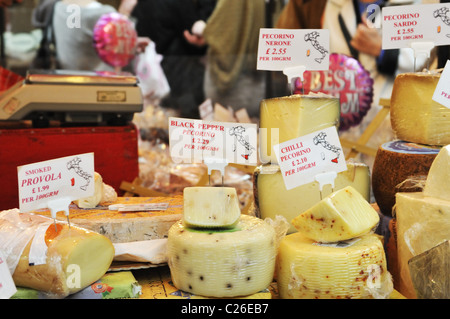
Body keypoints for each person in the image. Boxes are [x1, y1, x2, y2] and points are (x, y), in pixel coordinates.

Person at [276, 0, 430, 170]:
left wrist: (384, 51)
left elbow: (428, 62)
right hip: (338, 128)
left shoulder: (416, 4)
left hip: (389, 128)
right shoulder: (323, 5)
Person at [128, 0, 216, 119]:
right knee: (183, 128)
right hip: (180, 78)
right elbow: (194, 39)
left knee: (153, 124)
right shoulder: (180, 3)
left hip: (148, 78)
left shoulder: (140, 3)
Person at [184, 0, 266, 118]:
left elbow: (221, 33)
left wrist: (206, 33)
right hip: (259, 81)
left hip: (233, 87)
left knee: (229, 131)